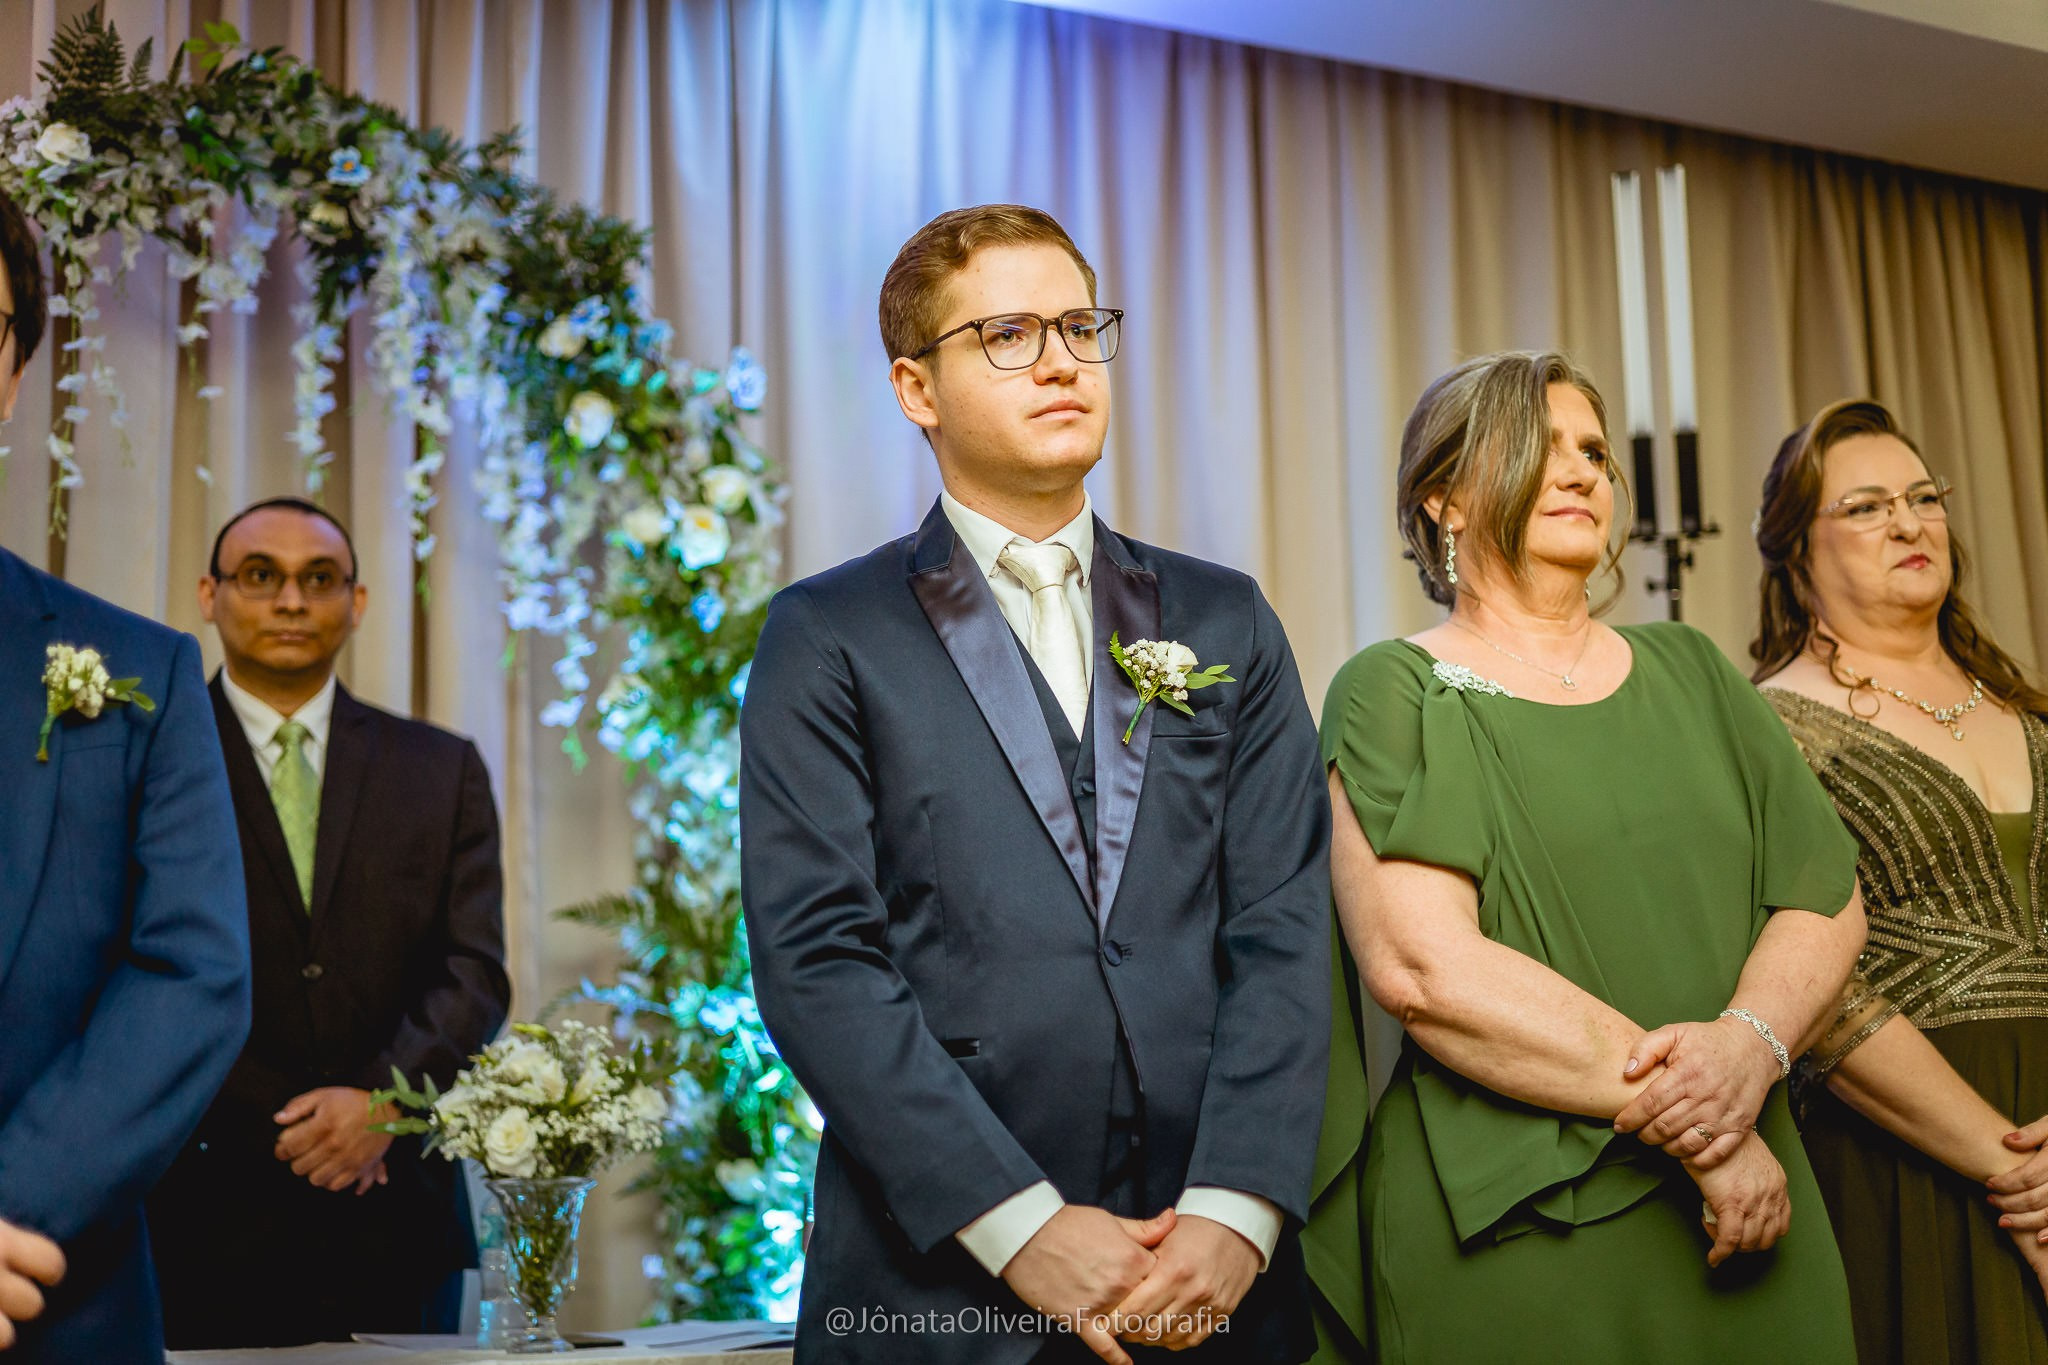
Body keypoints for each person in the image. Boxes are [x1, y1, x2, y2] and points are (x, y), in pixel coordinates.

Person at [740, 205, 1331, 1365]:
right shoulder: (825, 635)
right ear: (917, 390)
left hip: (1205, 1282)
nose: (1061, 359)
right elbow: (818, 960)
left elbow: (1284, 928)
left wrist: (1235, 1209)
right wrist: (1018, 1228)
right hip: (933, 1288)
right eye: (1006, 333)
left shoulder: (1223, 617)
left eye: (1077, 325)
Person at [1302, 351, 1870, 1363]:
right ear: (1443, 500)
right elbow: (1423, 969)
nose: (1578, 473)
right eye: (1535, 446)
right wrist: (1709, 1129)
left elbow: (1822, 898)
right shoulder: (1392, 689)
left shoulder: (1693, 668)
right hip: (1523, 1217)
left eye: (1593, 453)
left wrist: (1745, 1050)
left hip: (1752, 1197)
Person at [145, 497, 512, 1346]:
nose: (289, 601)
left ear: (358, 601)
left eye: (318, 579)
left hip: (390, 1207)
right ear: (209, 593)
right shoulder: (147, 754)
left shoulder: (438, 767)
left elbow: (474, 972)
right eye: (260, 575)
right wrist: (281, 1120)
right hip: (198, 1198)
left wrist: (382, 1101)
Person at [0, 188, 252, 1363]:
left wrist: (13, 1209)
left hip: (52, 1300)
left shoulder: (135, 671)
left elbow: (192, 973)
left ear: (10, 373)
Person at [1752, 398, 2048, 1362]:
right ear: (1798, 550)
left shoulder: (2028, 710)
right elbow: (1811, 989)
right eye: (1869, 506)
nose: (1910, 523)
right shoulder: (1771, 728)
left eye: (1924, 497)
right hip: (1913, 1158)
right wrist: (2019, 1176)